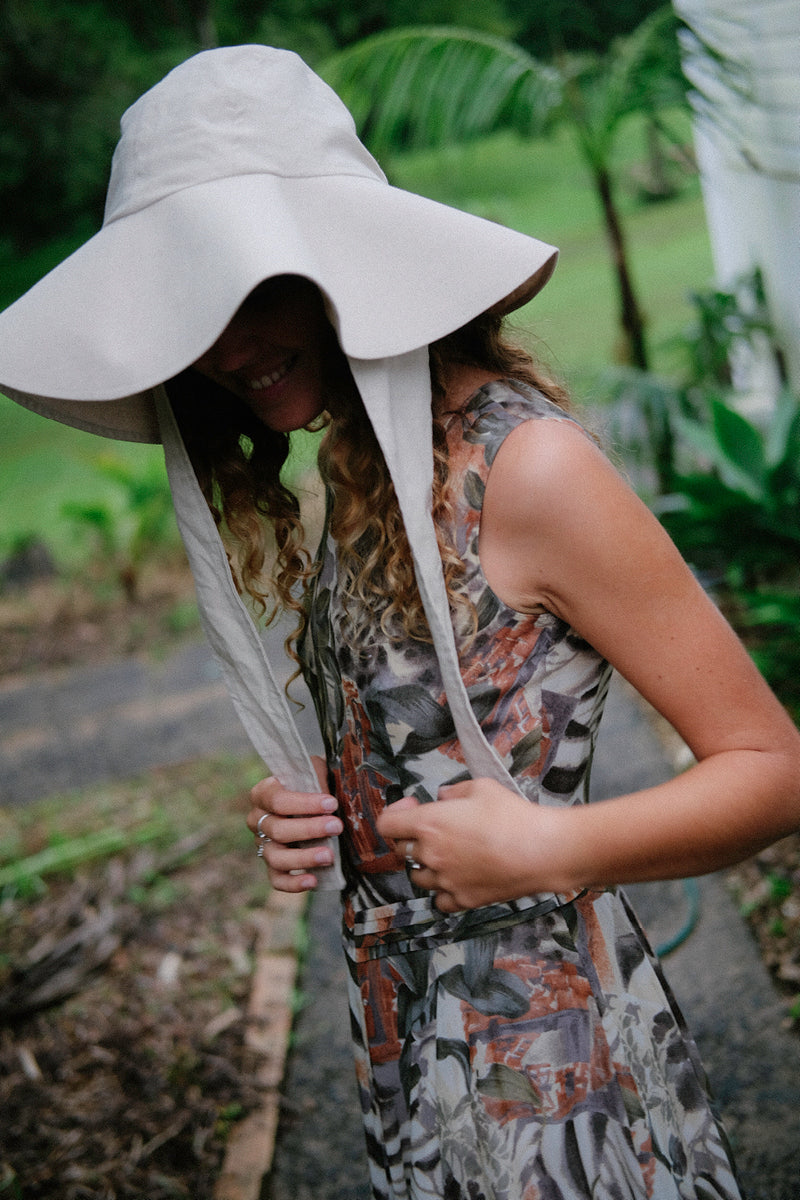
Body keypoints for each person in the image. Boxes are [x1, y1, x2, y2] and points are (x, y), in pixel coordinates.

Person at [1, 45, 799, 1200]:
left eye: (250, 287)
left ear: (338, 263)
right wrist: (326, 803)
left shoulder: (525, 469)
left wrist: (551, 844)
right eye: (192, 306)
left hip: (549, 1068)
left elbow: (770, 767)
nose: (225, 348)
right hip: (410, 1052)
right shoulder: (368, 461)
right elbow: (442, 724)